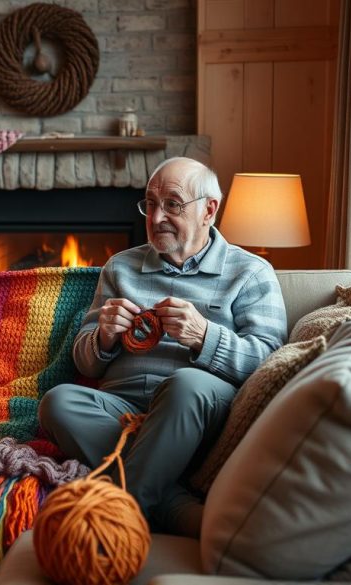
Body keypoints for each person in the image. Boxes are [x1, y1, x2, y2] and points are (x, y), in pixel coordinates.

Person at [38, 157, 287, 536]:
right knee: (57, 402)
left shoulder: (250, 272)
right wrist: (103, 337)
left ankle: (120, 518)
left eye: (172, 204)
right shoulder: (120, 267)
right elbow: (85, 364)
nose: (155, 218)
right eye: (150, 204)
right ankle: (170, 502)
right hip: (122, 409)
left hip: (199, 410)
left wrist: (205, 336)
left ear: (209, 209)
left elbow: (270, 361)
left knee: (187, 384)